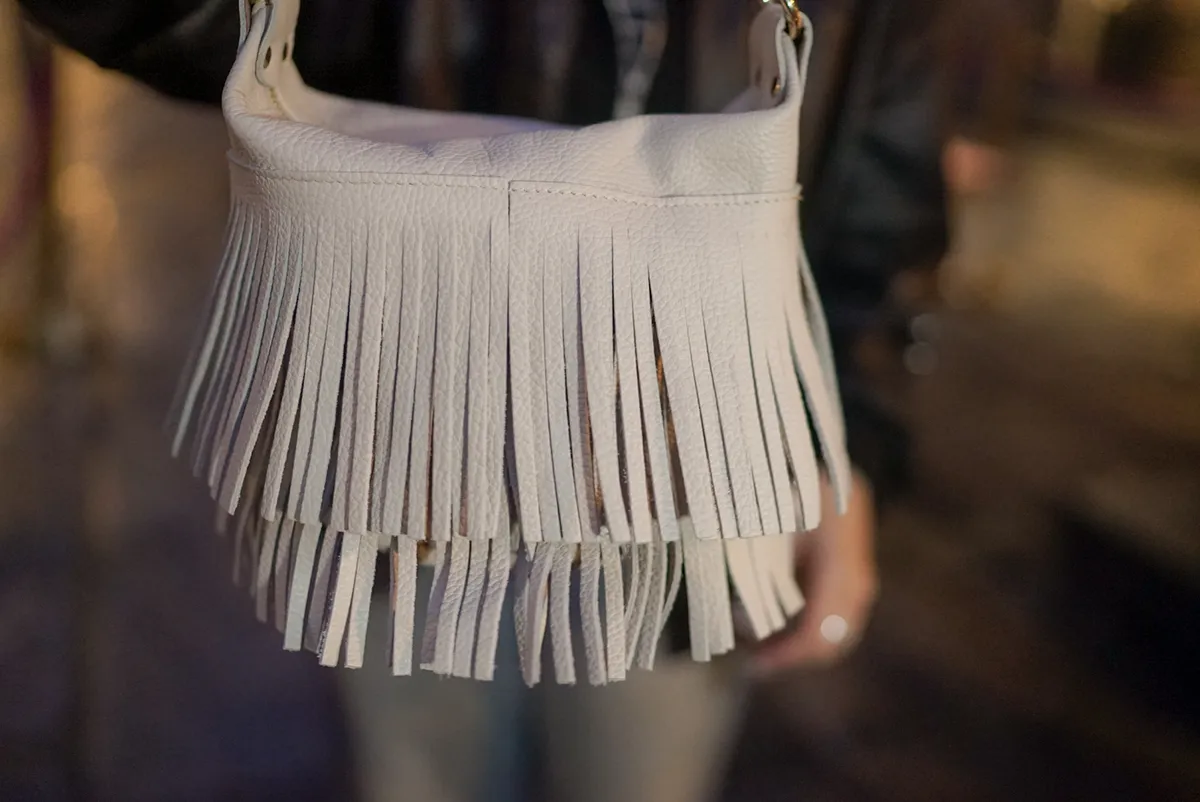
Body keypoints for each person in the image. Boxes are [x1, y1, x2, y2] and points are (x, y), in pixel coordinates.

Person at [16, 0, 962, 799]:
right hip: (404, 456)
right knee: (421, 765)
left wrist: (847, 444)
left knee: (635, 771)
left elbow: (879, 159)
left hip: (682, 473)